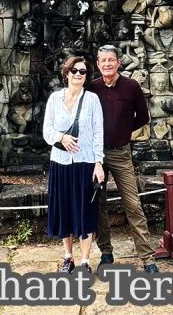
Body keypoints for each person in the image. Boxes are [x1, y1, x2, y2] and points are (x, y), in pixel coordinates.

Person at [86, 45, 158, 273]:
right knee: (98, 203)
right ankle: (106, 252)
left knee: (133, 204)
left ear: (118, 62)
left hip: (120, 152)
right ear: (98, 64)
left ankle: (147, 258)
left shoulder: (131, 86)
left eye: (111, 60)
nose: (107, 64)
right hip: (95, 154)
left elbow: (142, 118)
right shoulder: (92, 87)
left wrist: (123, 130)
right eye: (103, 60)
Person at [43, 55, 105, 273]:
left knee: (85, 210)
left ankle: (86, 260)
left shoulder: (92, 100)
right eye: (75, 71)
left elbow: (98, 133)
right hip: (60, 162)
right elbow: (47, 131)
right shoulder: (54, 99)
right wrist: (62, 138)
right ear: (66, 73)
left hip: (85, 161)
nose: (79, 75)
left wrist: (99, 163)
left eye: (83, 72)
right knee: (65, 210)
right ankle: (68, 257)